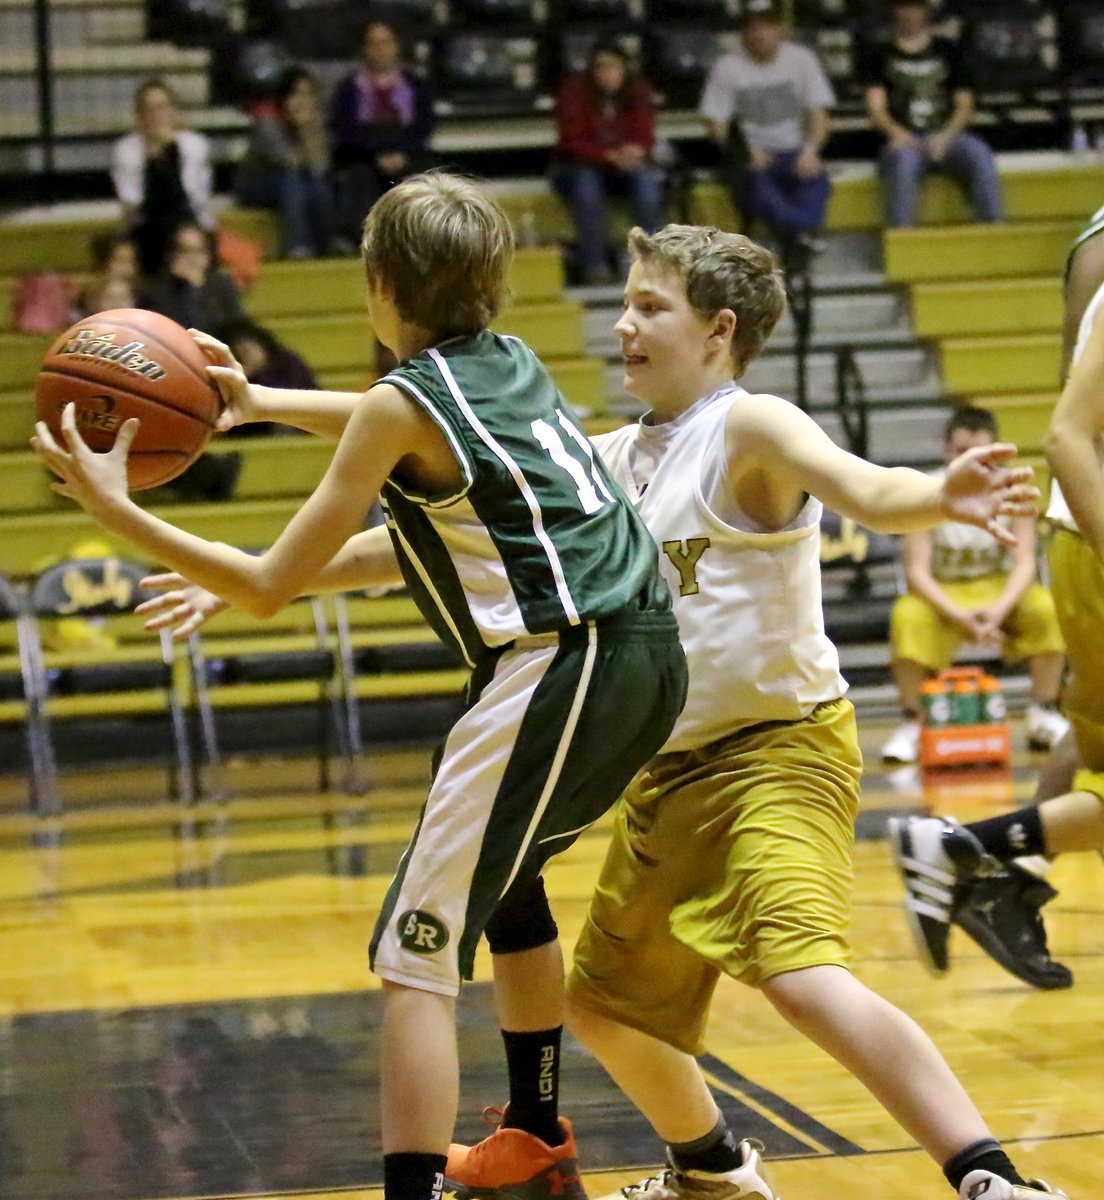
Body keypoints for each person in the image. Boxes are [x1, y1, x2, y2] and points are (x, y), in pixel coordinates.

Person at [138, 225, 1060, 1200]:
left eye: (649, 307)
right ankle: (712, 1170)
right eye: (623, 303)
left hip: (776, 753)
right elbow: (422, 452)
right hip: (661, 772)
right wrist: (254, 467)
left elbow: (869, 488)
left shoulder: (753, 428)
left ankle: (990, 1177)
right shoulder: (606, 454)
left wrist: (939, 495)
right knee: (607, 1009)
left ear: (719, 330)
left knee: (795, 973)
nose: (624, 324)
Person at [31, 171, 688, 1200]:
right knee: (506, 886)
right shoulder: (510, 369)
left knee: (413, 955)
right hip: (645, 658)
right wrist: (252, 405)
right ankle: (533, 1132)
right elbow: (391, 494)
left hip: (564, 662)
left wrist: (120, 513)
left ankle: (410, 1191)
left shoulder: (401, 406)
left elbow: (266, 583)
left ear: (378, 285)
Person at [889, 200, 1104, 995]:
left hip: (1079, 528)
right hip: (1094, 525)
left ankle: (998, 874)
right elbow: (1070, 429)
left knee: (1093, 753)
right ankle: (964, 848)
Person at [880, 405, 1068, 766]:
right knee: (907, 616)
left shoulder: (1015, 489)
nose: (971, 461)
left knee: (1044, 607)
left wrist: (995, 613)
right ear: (946, 451)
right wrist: (962, 617)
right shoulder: (927, 489)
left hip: (1000, 592)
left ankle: (1043, 712)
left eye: (979, 453)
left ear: (996, 451)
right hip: (943, 594)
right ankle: (912, 722)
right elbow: (917, 573)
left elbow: (1026, 562)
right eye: (960, 452)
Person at [699, 0, 834, 266]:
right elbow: (716, 125)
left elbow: (819, 115)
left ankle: (796, 234)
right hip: (753, 154)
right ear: (743, 34)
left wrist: (810, 151)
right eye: (753, 28)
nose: (760, 34)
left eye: (767, 27)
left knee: (817, 179)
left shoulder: (801, 59)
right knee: (756, 185)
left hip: (794, 150)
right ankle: (801, 233)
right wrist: (744, 152)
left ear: (780, 30)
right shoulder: (727, 66)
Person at [858, 0, 1003, 229]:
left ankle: (994, 228)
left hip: (947, 135)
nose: (910, 13)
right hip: (903, 138)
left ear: (926, 11)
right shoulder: (878, 54)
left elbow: (964, 105)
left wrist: (945, 137)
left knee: (978, 152)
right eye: (904, 7)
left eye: (916, 7)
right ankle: (901, 236)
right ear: (895, 11)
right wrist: (897, 133)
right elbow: (876, 109)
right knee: (903, 161)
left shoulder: (949, 50)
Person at [550, 40, 666, 286]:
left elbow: (645, 135)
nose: (607, 73)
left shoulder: (639, 91)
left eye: (613, 67)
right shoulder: (574, 91)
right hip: (578, 165)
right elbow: (571, 141)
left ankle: (653, 265)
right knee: (586, 189)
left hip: (625, 166)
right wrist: (607, 155)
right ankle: (595, 265)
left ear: (625, 68)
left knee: (647, 185)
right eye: (601, 67)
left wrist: (634, 152)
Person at [328, 19, 435, 245]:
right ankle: (362, 242)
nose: (381, 49)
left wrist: (402, 153)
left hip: (407, 152)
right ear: (365, 49)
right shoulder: (349, 88)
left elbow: (424, 125)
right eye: (374, 43)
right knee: (357, 179)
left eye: (386, 42)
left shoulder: (416, 85)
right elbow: (346, 129)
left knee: (426, 176)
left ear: (396, 46)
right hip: (363, 156)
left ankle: (423, 241)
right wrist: (377, 155)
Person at [111, 79, 215, 277]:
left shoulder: (195, 145)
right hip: (145, 226)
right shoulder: (125, 149)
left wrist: (169, 154)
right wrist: (152, 161)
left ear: (174, 112)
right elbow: (133, 203)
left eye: (161, 108)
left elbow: (192, 198)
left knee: (187, 236)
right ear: (139, 116)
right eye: (148, 110)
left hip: (189, 220)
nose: (155, 116)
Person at [235, 67, 337, 260]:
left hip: (299, 182)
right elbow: (286, 160)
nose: (302, 101)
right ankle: (296, 247)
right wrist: (302, 129)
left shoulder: (317, 124)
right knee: (292, 182)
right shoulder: (267, 121)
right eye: (296, 94)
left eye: (307, 95)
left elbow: (320, 168)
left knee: (320, 187)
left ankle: (326, 245)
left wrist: (308, 131)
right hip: (258, 183)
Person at [138, 220, 248, 342]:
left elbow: (235, 330)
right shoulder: (156, 293)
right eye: (185, 251)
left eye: (199, 251)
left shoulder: (222, 285)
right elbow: (179, 333)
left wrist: (197, 290)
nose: (193, 258)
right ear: (172, 255)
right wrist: (188, 289)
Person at [73, 231, 139, 318]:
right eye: (121, 261)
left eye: (131, 261)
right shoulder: (90, 292)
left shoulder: (141, 293)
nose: (129, 267)